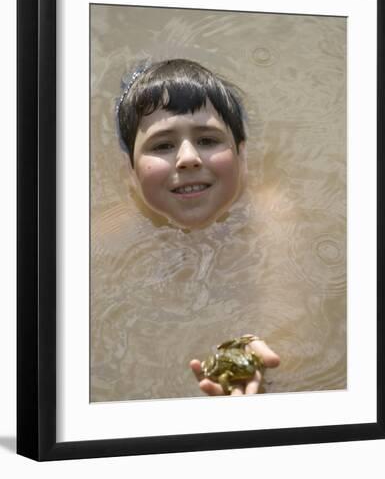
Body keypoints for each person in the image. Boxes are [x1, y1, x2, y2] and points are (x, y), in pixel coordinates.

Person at [115, 58, 280, 395]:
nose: (188, 157)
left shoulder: (271, 215)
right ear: (130, 173)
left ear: (243, 157)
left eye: (207, 140)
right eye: (162, 145)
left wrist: (256, 349)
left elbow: (286, 302)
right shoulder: (107, 235)